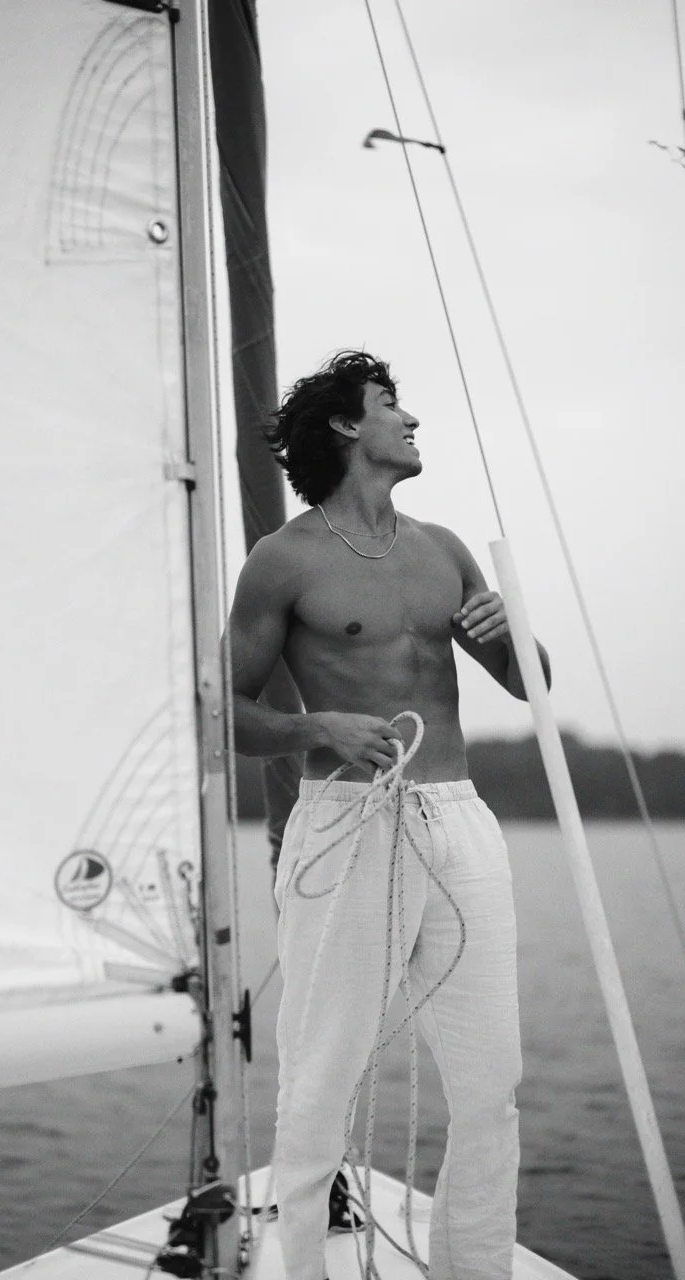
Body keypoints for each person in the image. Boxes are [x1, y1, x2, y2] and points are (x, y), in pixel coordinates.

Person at [227, 350, 550, 1280]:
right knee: (320, 1076)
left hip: (456, 817)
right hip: (345, 822)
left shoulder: (444, 548)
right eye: (390, 406)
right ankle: (306, 1270)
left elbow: (536, 688)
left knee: (492, 1085)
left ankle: (474, 1267)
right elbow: (221, 710)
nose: (412, 421)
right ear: (343, 427)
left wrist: (514, 636)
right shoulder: (283, 561)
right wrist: (312, 725)